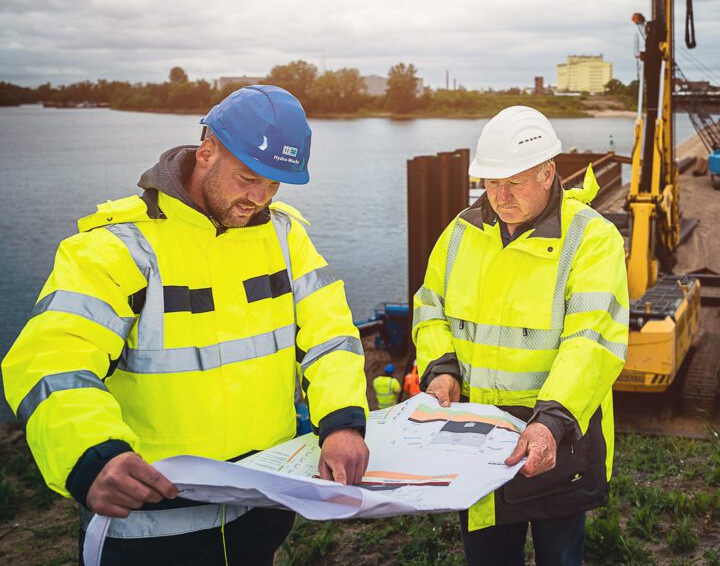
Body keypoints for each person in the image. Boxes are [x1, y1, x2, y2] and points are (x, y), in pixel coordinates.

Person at [2, 85, 370, 566]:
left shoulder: (285, 238)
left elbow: (331, 333)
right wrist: (90, 454)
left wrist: (341, 422)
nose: (257, 199)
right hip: (146, 527)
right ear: (207, 151)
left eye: (274, 186)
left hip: (259, 514)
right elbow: (51, 359)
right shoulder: (118, 247)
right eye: (247, 178)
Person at [411, 106, 628, 566]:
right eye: (491, 182)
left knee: (560, 556)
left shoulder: (591, 239)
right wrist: (441, 368)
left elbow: (591, 342)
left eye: (514, 182)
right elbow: (430, 310)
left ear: (549, 173)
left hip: (560, 441)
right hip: (478, 444)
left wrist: (551, 421)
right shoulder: (459, 235)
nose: (500, 195)